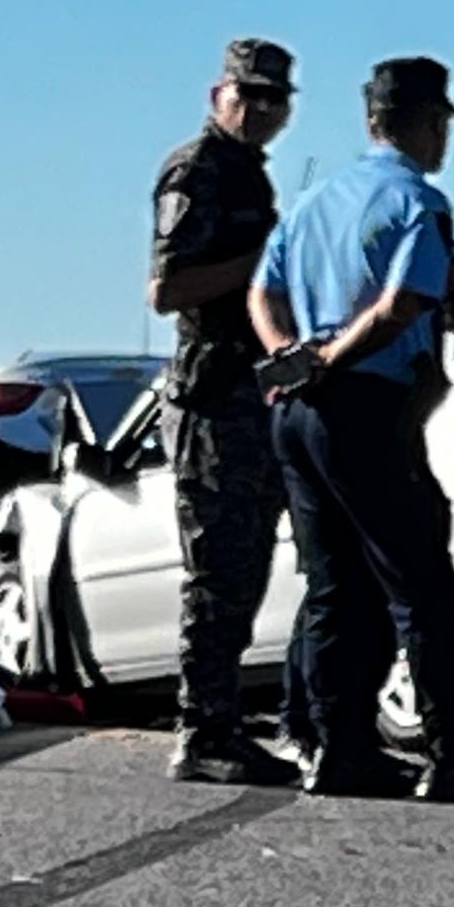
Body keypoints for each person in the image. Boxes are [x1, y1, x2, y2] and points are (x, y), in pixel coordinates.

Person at [248, 55, 454, 804]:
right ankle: (453, 754)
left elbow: (262, 291)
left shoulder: (312, 202)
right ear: (426, 123)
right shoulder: (421, 202)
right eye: (441, 123)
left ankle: (337, 748)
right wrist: (335, 358)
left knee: (335, 585)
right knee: (423, 590)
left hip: (298, 414)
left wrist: (289, 355)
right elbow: (404, 307)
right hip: (367, 404)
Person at [145, 38, 301, 787]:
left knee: (243, 572)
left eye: (274, 100)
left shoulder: (249, 175)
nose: (261, 110)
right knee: (217, 572)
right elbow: (166, 287)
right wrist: (262, 261)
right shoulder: (198, 169)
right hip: (212, 397)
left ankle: (220, 723)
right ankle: (202, 730)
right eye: (249, 96)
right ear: (219, 95)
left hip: (250, 392)